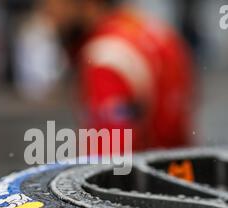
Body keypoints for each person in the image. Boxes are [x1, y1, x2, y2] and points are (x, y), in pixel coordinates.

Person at [33, 0, 196, 150]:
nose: (48, 16)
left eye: (51, 4)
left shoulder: (103, 58)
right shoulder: (153, 28)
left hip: (142, 177)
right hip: (179, 170)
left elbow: (109, 162)